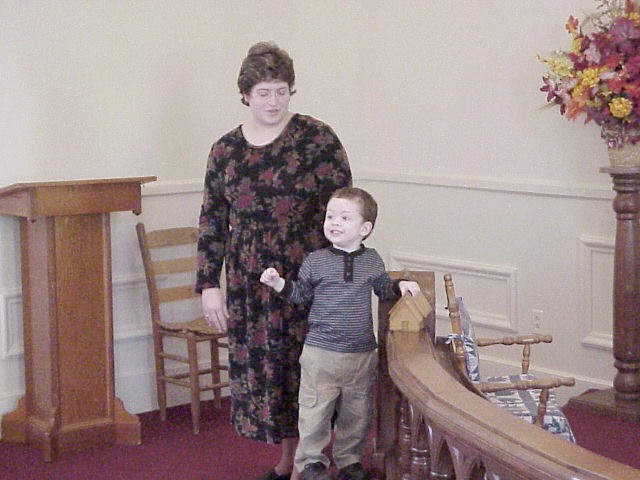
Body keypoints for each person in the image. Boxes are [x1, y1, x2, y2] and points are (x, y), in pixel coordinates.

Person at [195, 41, 352, 480]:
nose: (273, 101)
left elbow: (345, 211)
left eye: (281, 91)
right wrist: (209, 284)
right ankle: (289, 461)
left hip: (309, 278)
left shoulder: (317, 138)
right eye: (263, 92)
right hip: (250, 286)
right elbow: (212, 220)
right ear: (245, 94)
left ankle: (314, 462)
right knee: (274, 378)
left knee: (313, 373)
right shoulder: (225, 150)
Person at [260, 187, 421, 480]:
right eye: (330, 216)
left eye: (345, 218)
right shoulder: (316, 260)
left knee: (357, 413)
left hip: (361, 354)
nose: (334, 222)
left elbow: (382, 287)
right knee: (314, 412)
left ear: (364, 228)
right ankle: (311, 463)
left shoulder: (372, 260)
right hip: (321, 353)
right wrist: (278, 284)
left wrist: (401, 285)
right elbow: (300, 294)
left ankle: (349, 461)